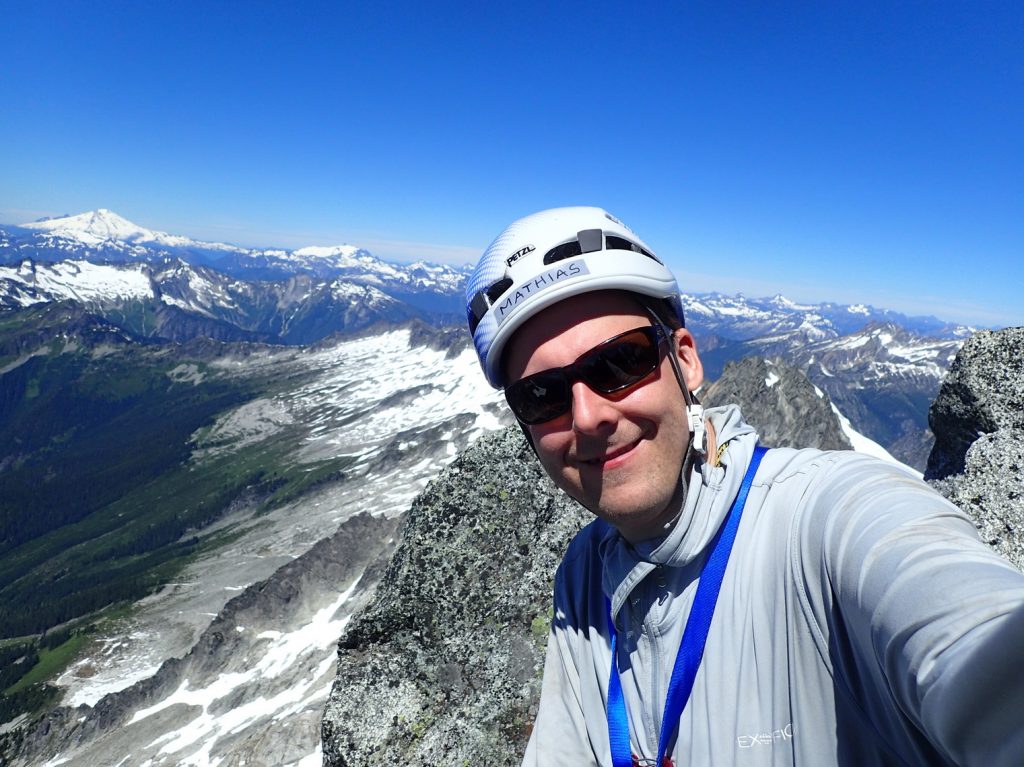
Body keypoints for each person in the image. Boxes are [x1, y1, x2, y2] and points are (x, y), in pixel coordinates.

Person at [464, 206, 1024, 766]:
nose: (587, 417)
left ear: (685, 360)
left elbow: (975, 645)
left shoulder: (826, 517)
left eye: (619, 363)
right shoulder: (585, 578)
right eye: (542, 396)